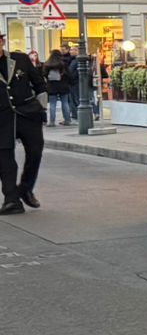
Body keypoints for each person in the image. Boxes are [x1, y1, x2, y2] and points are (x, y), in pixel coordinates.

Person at [0, 38, 46, 214]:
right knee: (5, 160)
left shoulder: (20, 59)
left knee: (35, 152)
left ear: (2, 42)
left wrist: (42, 107)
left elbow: (39, 84)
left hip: (28, 114)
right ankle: (11, 200)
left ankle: (25, 188)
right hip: (2, 118)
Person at [42, 44, 75, 125]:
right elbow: (68, 74)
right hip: (63, 86)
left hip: (52, 86)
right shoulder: (63, 63)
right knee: (65, 103)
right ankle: (67, 120)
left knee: (53, 104)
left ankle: (52, 121)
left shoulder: (47, 64)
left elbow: (44, 74)